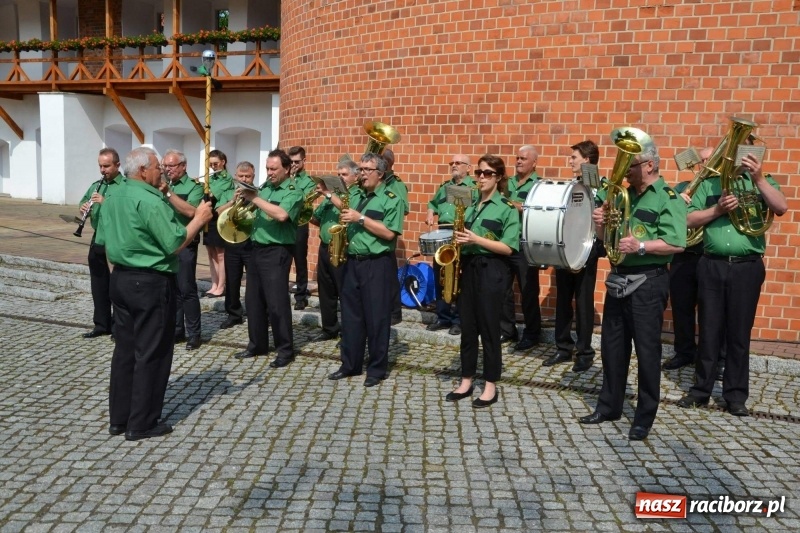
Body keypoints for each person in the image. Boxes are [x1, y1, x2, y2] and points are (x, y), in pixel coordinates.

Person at [96, 146, 212, 440]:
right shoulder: (150, 201)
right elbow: (174, 242)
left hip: (120, 278)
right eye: (158, 167)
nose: (161, 172)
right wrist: (199, 218)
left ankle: (119, 419)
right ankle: (142, 422)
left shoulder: (112, 196)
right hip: (149, 281)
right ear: (143, 171)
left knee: (124, 351)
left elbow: (104, 240)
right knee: (152, 352)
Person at [579, 138, 687, 441]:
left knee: (647, 350)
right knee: (612, 347)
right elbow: (607, 239)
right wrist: (600, 223)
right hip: (619, 276)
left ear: (650, 165)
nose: (625, 170)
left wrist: (641, 245)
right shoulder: (623, 194)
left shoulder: (668, 198)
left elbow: (677, 242)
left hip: (649, 280)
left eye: (632, 164)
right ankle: (609, 406)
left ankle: (644, 416)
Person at [677, 146, 787, 417]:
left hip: (746, 267)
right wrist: (717, 209)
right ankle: (701, 390)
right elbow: (687, 219)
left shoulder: (764, 180)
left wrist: (759, 178)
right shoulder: (711, 182)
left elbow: (781, 207)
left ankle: (736, 396)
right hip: (711, 264)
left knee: (739, 334)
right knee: (709, 330)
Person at [444, 154, 519, 408]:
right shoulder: (470, 204)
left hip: (493, 269)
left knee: (488, 328)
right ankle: (466, 380)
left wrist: (476, 240)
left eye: (488, 173)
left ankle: (490, 385)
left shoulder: (506, 208)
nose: (482, 178)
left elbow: (508, 248)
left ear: (498, 178)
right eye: (479, 173)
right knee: (468, 326)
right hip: (470, 268)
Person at [328, 152, 404, 387]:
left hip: (377, 263)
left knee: (377, 318)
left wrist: (360, 218)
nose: (361, 174)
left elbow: (389, 233)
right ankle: (350, 364)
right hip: (353, 261)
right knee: (351, 317)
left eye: (366, 170)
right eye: (360, 169)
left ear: (380, 174)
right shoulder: (357, 195)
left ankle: (376, 369)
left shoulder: (392, 199)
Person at [234, 149, 303, 368]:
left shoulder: (293, 191)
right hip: (256, 247)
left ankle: (285, 349)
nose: (269, 173)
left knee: (277, 302)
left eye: (273, 169)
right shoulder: (264, 188)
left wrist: (255, 198)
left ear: (287, 168)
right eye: (267, 169)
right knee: (253, 300)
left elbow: (282, 215)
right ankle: (257, 344)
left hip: (277, 250)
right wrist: (244, 200)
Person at [544, 140, 604, 372]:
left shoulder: (604, 186)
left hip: (587, 249)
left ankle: (585, 352)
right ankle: (562, 347)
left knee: (583, 302)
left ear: (587, 160)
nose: (570, 161)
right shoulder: (569, 187)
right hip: (565, 248)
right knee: (562, 300)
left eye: (574, 157)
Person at [662, 147, 712, 372]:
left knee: (710, 311)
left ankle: (710, 356)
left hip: (706, 255)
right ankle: (684, 352)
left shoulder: (718, 188)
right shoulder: (682, 186)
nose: (705, 165)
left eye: (710, 160)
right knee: (681, 307)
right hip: (682, 256)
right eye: (701, 161)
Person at [309, 158, 361, 342]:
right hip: (325, 246)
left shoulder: (357, 193)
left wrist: (330, 195)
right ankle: (329, 328)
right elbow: (316, 217)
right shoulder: (332, 195)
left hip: (343, 247)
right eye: (338, 174)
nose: (340, 177)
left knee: (344, 291)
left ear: (356, 176)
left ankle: (349, 332)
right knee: (326, 290)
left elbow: (349, 210)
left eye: (344, 174)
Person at [424, 155, 476, 335]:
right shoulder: (444, 186)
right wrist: (431, 213)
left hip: (461, 234)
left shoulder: (474, 188)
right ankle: (443, 317)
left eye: (458, 163)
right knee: (441, 276)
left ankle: (459, 320)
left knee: (458, 279)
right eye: (451, 163)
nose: (454, 165)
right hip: (443, 234)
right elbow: (433, 203)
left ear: (468, 167)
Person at [160, 149, 204, 350]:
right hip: (166, 243)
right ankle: (177, 330)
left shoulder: (194, 187)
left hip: (185, 242)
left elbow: (192, 212)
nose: (167, 169)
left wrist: (167, 193)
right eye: (165, 166)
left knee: (187, 289)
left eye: (171, 166)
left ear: (183, 166)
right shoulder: (163, 184)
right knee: (172, 291)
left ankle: (194, 334)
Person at [78, 147, 125, 339]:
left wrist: (105, 202)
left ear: (117, 165)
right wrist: (83, 208)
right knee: (98, 284)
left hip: (116, 239)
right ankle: (101, 324)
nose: (102, 170)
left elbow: (125, 211)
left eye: (106, 166)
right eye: (100, 166)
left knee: (117, 285)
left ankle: (118, 326)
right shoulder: (96, 184)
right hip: (98, 237)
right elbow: (83, 202)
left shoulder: (125, 186)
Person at [502, 145, 542, 350]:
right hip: (505, 243)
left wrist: (513, 205)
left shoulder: (540, 185)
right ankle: (508, 330)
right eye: (517, 157)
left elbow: (538, 211)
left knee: (528, 291)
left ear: (534, 163)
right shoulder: (506, 183)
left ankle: (532, 333)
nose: (518, 161)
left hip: (526, 245)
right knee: (503, 290)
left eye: (523, 158)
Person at [215, 161, 256, 329]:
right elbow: (218, 212)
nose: (244, 179)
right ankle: (233, 314)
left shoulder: (257, 193)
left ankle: (257, 313)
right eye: (241, 176)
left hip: (251, 242)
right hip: (232, 241)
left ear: (253, 176)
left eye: (248, 176)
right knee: (232, 280)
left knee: (254, 281)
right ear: (236, 177)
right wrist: (233, 200)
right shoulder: (229, 192)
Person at [381, 148, 408, 325]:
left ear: (389, 164)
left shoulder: (397, 184)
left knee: (389, 276)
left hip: (386, 232)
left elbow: (404, 208)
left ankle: (394, 312)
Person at [203, 149, 234, 298]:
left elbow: (213, 193)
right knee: (211, 253)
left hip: (219, 216)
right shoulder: (212, 178)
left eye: (215, 164)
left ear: (223, 162)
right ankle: (214, 283)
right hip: (209, 216)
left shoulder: (226, 178)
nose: (213, 167)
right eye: (211, 164)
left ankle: (221, 285)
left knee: (220, 254)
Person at [288, 146, 315, 311]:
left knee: (300, 260)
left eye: (297, 162)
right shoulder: (284, 177)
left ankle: (301, 295)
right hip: (284, 224)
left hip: (299, 224)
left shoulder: (309, 182)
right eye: (291, 162)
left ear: (304, 161)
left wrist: (291, 181)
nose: (293, 165)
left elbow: (302, 200)